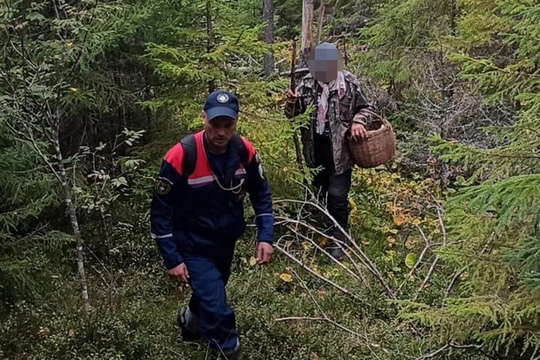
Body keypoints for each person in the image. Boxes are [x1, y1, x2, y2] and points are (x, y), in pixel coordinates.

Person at [150, 89, 274, 360]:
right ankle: (227, 349)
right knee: (218, 305)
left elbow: (261, 193)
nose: (220, 133)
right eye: (214, 125)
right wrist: (172, 258)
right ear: (203, 117)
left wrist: (266, 236)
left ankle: (191, 321)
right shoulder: (181, 155)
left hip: (225, 240)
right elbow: (160, 211)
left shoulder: (245, 151)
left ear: (236, 122)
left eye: (227, 125)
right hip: (192, 243)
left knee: (214, 287)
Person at [284, 42, 375, 261]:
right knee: (320, 190)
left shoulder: (350, 84)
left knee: (337, 194)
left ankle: (339, 236)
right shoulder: (305, 84)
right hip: (315, 150)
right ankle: (322, 223)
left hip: (341, 151)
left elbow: (367, 108)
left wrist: (358, 122)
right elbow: (293, 116)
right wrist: (291, 104)